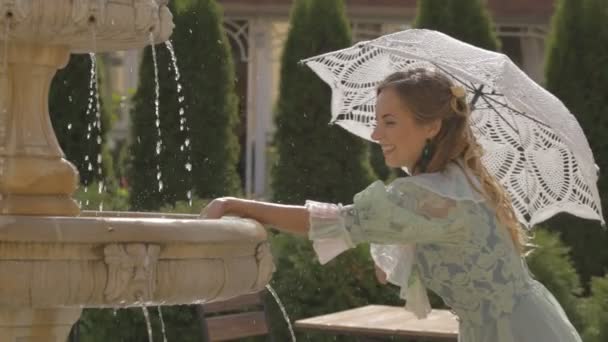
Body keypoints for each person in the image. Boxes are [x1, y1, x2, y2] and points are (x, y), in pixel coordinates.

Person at [202, 68, 582, 342]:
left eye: (389, 122)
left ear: (431, 126)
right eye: (376, 120)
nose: (375, 133)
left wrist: (239, 205)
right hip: (520, 324)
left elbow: (332, 220)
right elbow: (398, 256)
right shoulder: (459, 181)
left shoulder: (430, 193)